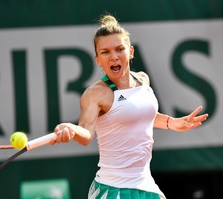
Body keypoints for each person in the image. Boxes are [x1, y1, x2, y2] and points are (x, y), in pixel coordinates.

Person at [51, 14, 209, 199]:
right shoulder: (96, 94)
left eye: (119, 49)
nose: (114, 57)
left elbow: (139, 114)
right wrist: (70, 128)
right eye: (105, 52)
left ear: (131, 52)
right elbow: (86, 135)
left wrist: (171, 123)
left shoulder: (142, 79)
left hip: (146, 184)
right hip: (113, 189)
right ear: (97, 59)